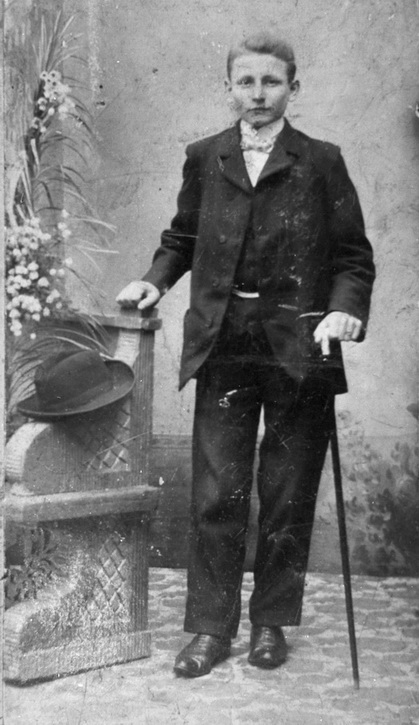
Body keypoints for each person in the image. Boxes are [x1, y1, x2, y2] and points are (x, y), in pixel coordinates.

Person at [116, 31, 375, 677]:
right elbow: (181, 237)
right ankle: (210, 629)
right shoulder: (206, 156)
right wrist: (154, 280)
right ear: (228, 88)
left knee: (287, 493)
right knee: (216, 492)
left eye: (271, 82)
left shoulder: (322, 161)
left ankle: (270, 624)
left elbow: (352, 256)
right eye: (246, 82)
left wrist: (343, 309)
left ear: (293, 87)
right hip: (224, 341)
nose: (258, 94)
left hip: (300, 344)